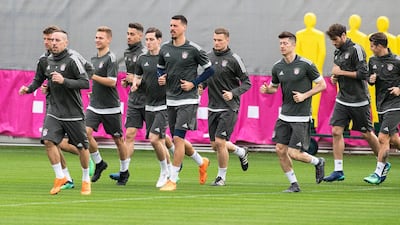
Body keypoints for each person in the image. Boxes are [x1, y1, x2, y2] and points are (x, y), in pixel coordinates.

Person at [18, 26, 92, 192]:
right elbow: (38, 79)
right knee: (48, 141)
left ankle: (86, 179)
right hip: (54, 111)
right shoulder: (45, 60)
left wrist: (64, 81)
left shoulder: (73, 59)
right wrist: (29, 89)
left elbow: (85, 82)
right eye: (51, 40)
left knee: (82, 147)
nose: (53, 43)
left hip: (73, 112)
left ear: (66, 43)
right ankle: (60, 177)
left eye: (57, 40)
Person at [259, 31, 326, 192]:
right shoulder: (277, 67)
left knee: (294, 153)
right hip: (284, 115)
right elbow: (274, 88)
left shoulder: (306, 64)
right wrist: (267, 90)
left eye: (285, 43)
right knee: (280, 149)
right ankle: (294, 184)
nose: (282, 46)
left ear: (294, 45)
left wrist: (305, 95)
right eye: (280, 43)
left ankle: (318, 162)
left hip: (301, 116)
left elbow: (322, 85)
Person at [157, 15, 215, 191]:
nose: (171, 28)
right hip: (171, 99)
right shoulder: (165, 48)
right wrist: (161, 78)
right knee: (177, 140)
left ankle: (172, 179)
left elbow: (210, 70)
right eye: (170, 25)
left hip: (188, 99)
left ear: (184, 28)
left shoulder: (194, 49)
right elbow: (160, 68)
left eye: (175, 25)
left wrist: (194, 83)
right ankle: (201, 161)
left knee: (177, 138)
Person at [324, 24, 380, 182]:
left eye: (335, 39)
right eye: (331, 40)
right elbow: (336, 72)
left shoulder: (357, 49)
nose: (333, 43)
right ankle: (338, 170)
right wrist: (335, 78)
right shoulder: (337, 51)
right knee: (336, 131)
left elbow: (364, 74)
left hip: (359, 100)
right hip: (342, 99)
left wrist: (340, 73)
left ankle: (382, 163)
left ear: (343, 35)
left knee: (367, 134)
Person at [203, 27, 251, 186]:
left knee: (220, 141)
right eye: (215, 40)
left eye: (220, 40)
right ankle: (240, 151)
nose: (216, 43)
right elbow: (205, 78)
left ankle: (221, 177)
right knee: (214, 145)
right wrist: (199, 87)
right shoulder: (207, 58)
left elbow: (247, 83)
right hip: (212, 106)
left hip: (229, 107)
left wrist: (233, 93)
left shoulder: (234, 59)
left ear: (227, 40)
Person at [83, 26, 130, 185]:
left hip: (111, 107)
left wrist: (93, 76)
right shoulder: (94, 59)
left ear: (108, 40)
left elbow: (112, 81)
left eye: (101, 37)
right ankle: (99, 163)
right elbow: (96, 81)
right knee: (85, 133)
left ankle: (124, 172)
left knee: (118, 140)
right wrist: (93, 92)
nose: (97, 40)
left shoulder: (111, 58)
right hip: (94, 105)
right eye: (96, 37)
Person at [131, 27, 174, 187]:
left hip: (165, 105)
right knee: (160, 141)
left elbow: (177, 77)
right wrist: (135, 83)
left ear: (159, 40)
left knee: (154, 139)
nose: (148, 43)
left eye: (151, 40)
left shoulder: (167, 58)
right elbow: (138, 76)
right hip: (148, 105)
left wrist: (167, 80)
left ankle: (164, 172)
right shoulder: (142, 58)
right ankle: (170, 171)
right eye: (147, 40)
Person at [108, 23, 147, 181]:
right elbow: (133, 76)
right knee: (129, 135)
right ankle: (124, 172)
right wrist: (128, 81)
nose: (128, 37)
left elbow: (152, 77)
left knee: (158, 138)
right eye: (127, 33)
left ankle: (172, 166)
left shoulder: (146, 53)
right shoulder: (127, 53)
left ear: (140, 36)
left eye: (132, 34)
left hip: (150, 100)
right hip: (134, 100)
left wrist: (137, 80)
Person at [363, 32, 400, 184]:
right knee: (394, 140)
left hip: (396, 104)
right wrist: (370, 80)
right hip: (381, 104)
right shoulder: (372, 61)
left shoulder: (397, 60)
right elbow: (370, 78)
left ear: (379, 46)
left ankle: (379, 172)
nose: (371, 48)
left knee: (382, 137)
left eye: (372, 45)